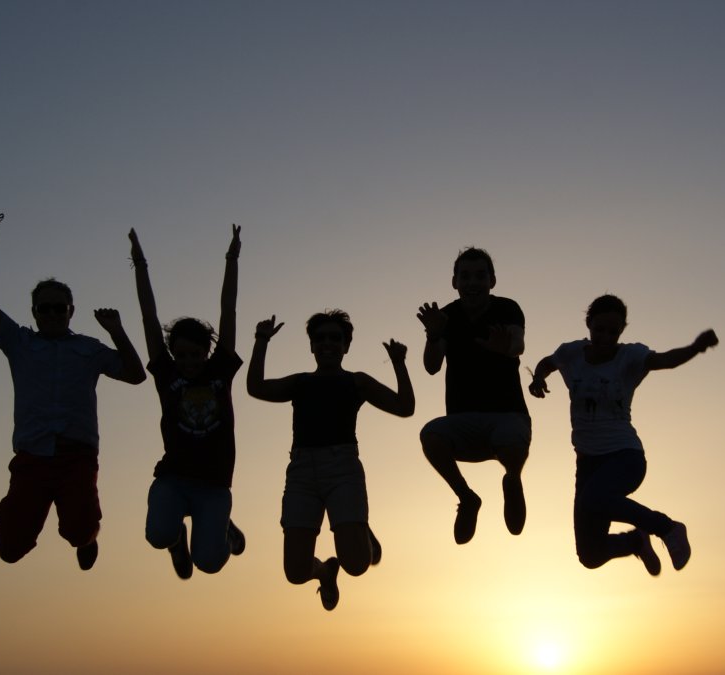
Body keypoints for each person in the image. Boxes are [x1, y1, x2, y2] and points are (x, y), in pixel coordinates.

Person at [0, 214, 146, 570]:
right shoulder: (19, 342)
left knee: (80, 531)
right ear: (34, 312)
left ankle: (87, 541)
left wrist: (117, 332)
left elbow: (135, 375)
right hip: (32, 458)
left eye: (58, 308)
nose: (51, 314)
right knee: (8, 550)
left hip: (75, 457)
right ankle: (23, 520)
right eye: (43, 308)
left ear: (70, 311)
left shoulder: (88, 348)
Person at [527, 294, 717, 574]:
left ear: (621, 331)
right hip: (588, 465)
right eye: (599, 329)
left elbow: (664, 360)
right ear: (588, 324)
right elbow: (548, 362)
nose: (605, 336)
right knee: (590, 555)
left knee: (594, 500)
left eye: (613, 332)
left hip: (625, 457)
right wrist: (538, 378)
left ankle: (668, 528)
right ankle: (635, 542)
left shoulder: (630, 357)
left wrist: (695, 348)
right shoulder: (571, 353)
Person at [247, 311, 413, 611]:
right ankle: (324, 571)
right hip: (302, 474)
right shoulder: (300, 383)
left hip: (343, 470)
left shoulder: (356, 382)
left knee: (358, 565)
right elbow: (256, 387)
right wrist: (261, 341)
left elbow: (405, 407)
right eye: (319, 338)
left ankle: (357, 524)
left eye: (335, 338)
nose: (327, 344)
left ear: (346, 345)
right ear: (311, 346)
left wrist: (399, 364)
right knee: (296, 573)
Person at [128, 226, 247, 580]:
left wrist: (232, 258)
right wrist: (139, 262)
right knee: (158, 535)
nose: (189, 361)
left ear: (207, 352)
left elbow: (229, 308)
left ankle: (222, 527)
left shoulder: (220, 369)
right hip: (174, 480)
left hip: (213, 486)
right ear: (173, 353)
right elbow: (148, 316)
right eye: (181, 354)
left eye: (195, 354)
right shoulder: (166, 373)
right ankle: (177, 537)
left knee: (209, 563)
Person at [416, 247, 530, 544]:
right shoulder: (447, 317)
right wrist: (433, 335)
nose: (472, 283)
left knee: (513, 443)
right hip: (464, 422)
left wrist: (504, 347)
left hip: (507, 415)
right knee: (430, 434)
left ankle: (512, 479)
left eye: (480, 276)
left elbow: (518, 344)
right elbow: (431, 366)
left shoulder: (507, 308)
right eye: (465, 277)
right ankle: (467, 498)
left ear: (492, 280)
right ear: (454, 282)